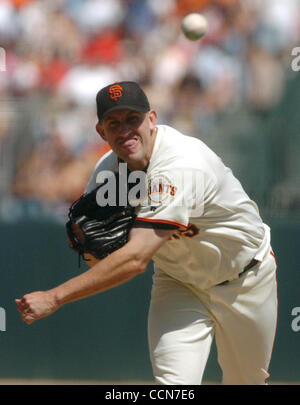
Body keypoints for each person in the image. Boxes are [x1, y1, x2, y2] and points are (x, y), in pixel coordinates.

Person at [16, 81, 278, 385]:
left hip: (245, 278)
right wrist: (89, 250)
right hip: (179, 283)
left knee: (246, 381)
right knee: (173, 386)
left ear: (152, 120)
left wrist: (55, 297)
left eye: (133, 119)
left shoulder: (180, 164)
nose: (125, 130)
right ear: (101, 132)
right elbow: (95, 253)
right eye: (114, 122)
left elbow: (135, 259)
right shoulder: (108, 174)